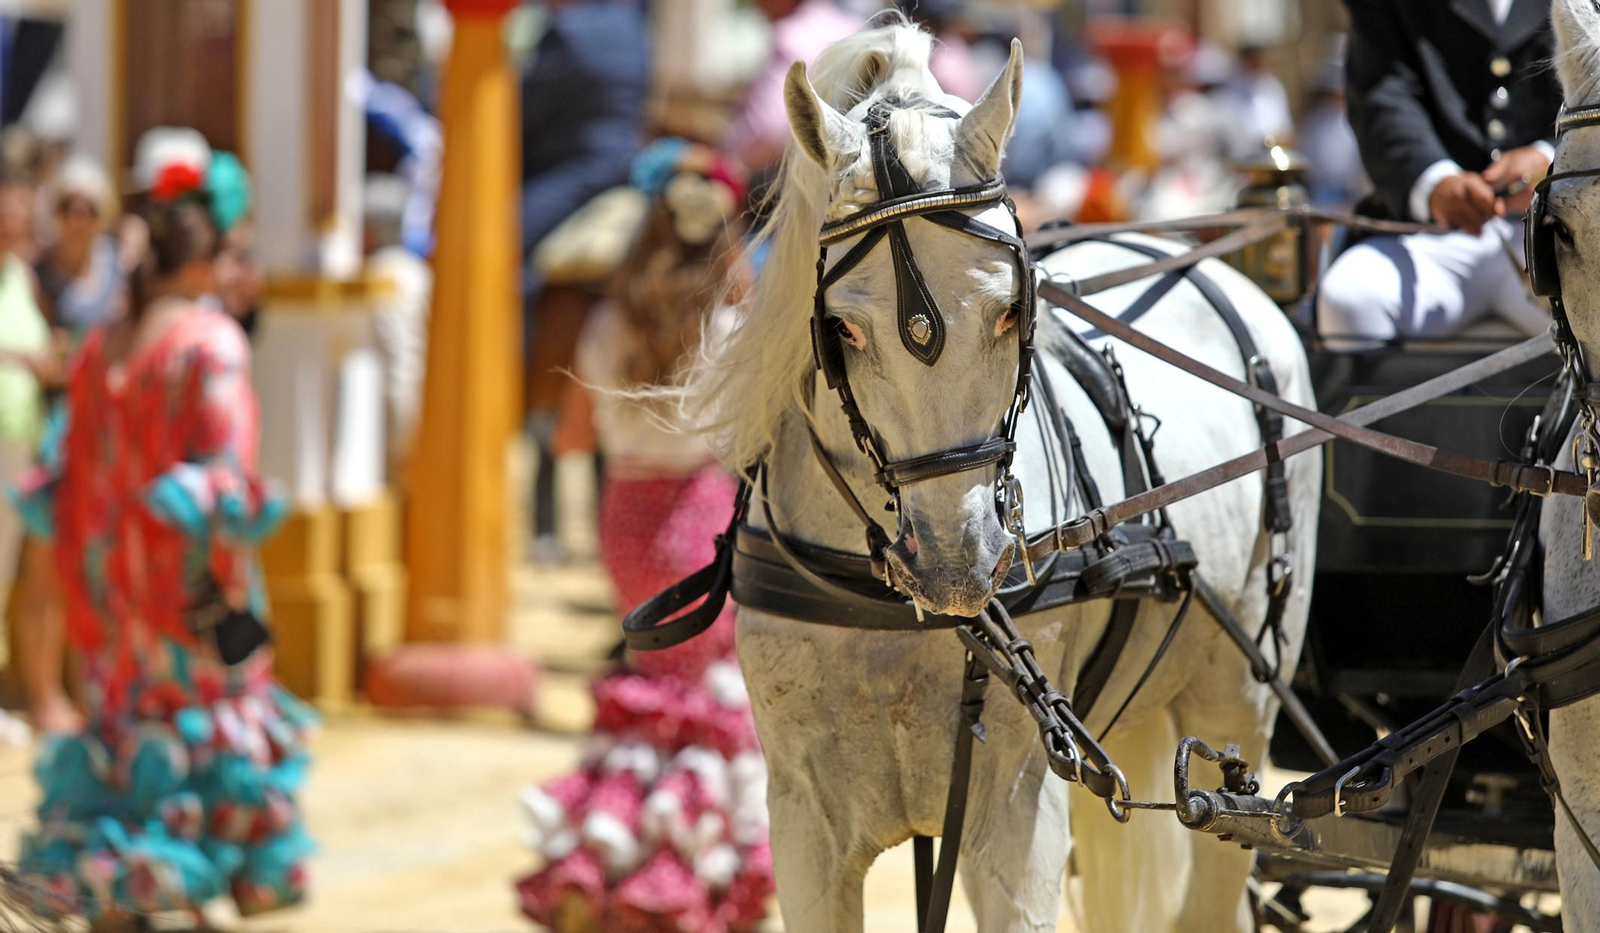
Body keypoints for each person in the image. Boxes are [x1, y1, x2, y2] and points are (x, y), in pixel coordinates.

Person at [10, 177, 314, 921]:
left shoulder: (99, 346)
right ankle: (191, 883)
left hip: (112, 601)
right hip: (189, 595)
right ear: (202, 263)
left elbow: (66, 476)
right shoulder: (211, 343)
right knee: (203, 744)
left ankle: (121, 884)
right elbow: (223, 482)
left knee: (125, 742)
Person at [515, 141, 772, 933]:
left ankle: (605, 856)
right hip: (700, 512)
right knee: (700, 699)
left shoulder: (606, 321)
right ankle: (677, 875)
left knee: (650, 683)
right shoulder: (731, 327)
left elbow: (570, 439)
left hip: (624, 513)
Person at [1316, 0, 1560, 347]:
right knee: (1351, 299)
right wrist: (1434, 182)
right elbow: (1382, 93)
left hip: (1560, 232)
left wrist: (1552, 158)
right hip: (1433, 236)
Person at [521, 0, 651, 564]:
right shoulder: (633, 24)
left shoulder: (568, 34)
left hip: (574, 180)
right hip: (618, 177)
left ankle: (506, 380)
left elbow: (522, 115)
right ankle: (603, 524)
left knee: (497, 257)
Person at [723, 0, 858, 175]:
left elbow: (770, 129)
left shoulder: (791, 37)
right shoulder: (852, 27)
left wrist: (735, 164)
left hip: (796, 173)